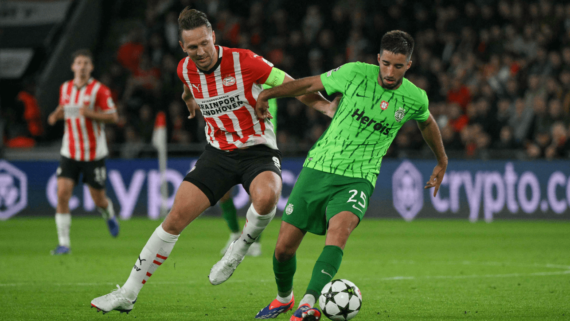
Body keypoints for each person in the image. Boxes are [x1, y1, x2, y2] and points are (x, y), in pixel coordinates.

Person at [90, 8, 336, 314]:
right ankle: (127, 293)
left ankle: (240, 248)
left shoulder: (245, 61)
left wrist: (325, 109)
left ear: (213, 37)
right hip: (218, 153)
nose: (200, 51)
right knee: (174, 218)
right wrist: (189, 98)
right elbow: (187, 82)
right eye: (192, 47)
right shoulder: (185, 69)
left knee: (267, 197)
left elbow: (293, 84)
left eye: (205, 43)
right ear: (183, 48)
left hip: (257, 150)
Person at [254, 30, 448, 320]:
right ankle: (284, 298)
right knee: (283, 249)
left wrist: (442, 160)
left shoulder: (414, 97)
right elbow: (308, 84)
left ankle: (308, 303)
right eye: (385, 63)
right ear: (378, 59)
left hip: (359, 177)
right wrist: (268, 93)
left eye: (398, 66)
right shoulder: (354, 72)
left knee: (338, 234)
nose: (390, 72)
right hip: (318, 168)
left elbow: (427, 122)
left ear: (409, 64)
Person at [47, 49, 120, 255]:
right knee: (62, 194)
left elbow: (113, 117)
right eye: (78, 62)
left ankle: (108, 213)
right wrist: (56, 115)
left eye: (86, 63)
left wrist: (91, 114)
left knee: (99, 200)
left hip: (93, 154)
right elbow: (64, 109)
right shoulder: (66, 88)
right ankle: (64, 243)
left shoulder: (100, 90)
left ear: (91, 67)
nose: (82, 66)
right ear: (73, 67)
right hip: (69, 151)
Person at [218, 84, 278, 257]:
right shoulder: (236, 81)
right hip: (233, 140)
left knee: (258, 195)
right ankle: (234, 234)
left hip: (260, 143)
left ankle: (255, 242)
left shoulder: (268, 82)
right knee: (223, 190)